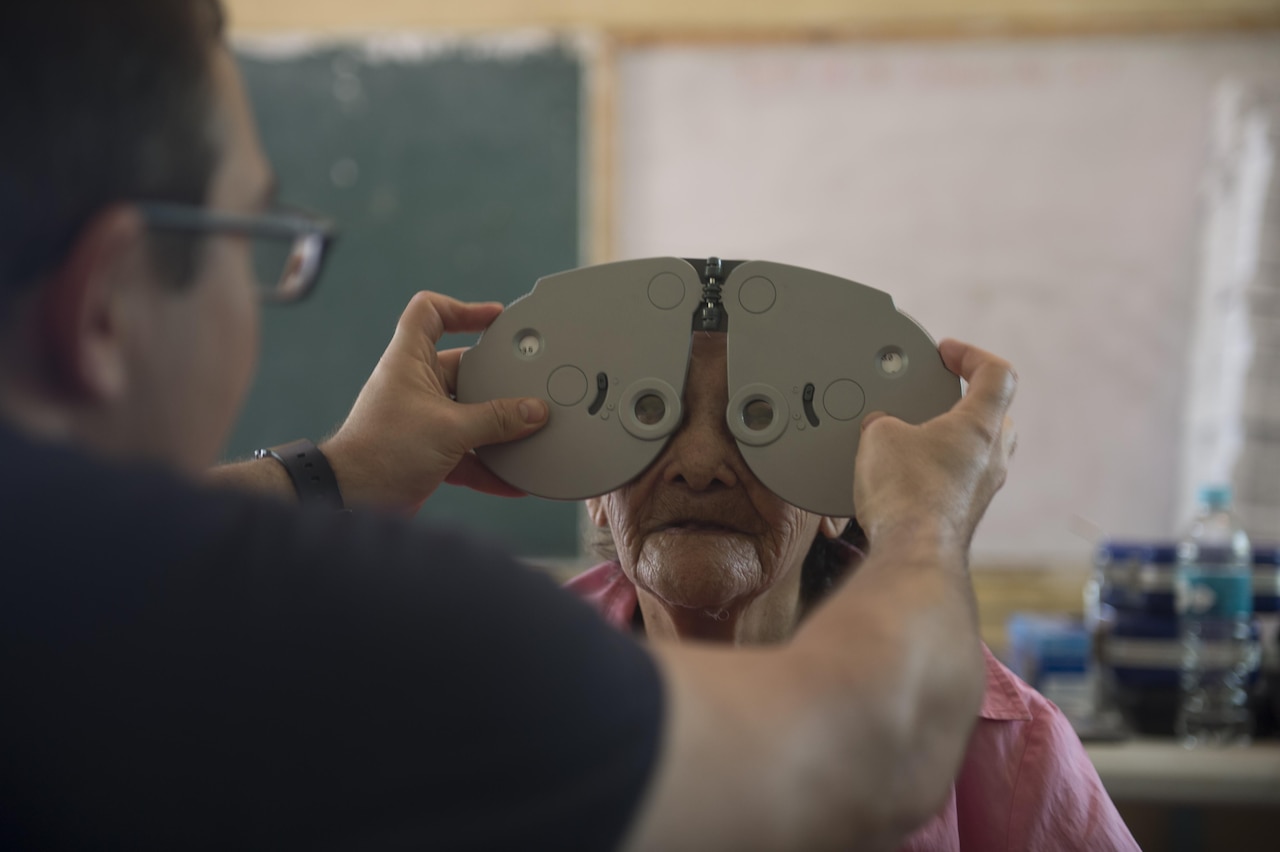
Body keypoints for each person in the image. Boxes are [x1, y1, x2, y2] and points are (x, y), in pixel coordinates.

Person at [0, 2, 1018, 849]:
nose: (702, 462)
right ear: (107, 308)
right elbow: (875, 751)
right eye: (254, 246)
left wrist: (341, 475)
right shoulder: (448, 649)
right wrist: (924, 518)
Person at [567, 334, 1139, 850]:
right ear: (594, 493)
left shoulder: (1013, 752)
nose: (698, 466)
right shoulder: (504, 690)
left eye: (759, 416)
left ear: (836, 498)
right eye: (650, 412)